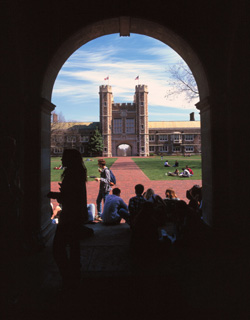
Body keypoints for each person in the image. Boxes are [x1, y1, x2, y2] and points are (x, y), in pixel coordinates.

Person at [47, 149, 88, 289]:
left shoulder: (71, 175)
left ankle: (67, 276)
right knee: (74, 245)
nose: (61, 160)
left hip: (70, 215)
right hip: (77, 214)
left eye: (64, 158)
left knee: (58, 248)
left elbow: (69, 197)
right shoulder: (79, 173)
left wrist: (53, 194)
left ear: (70, 159)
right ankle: (75, 275)